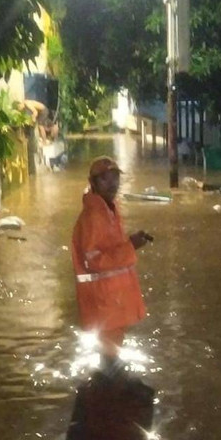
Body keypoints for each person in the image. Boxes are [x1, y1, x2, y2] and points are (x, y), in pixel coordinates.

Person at [71, 156, 151, 367]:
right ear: (93, 183)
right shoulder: (93, 216)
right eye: (105, 179)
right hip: (104, 299)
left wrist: (131, 242)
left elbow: (109, 248)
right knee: (110, 359)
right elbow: (95, 260)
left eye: (115, 177)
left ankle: (108, 392)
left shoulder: (108, 209)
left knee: (112, 354)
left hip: (111, 298)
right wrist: (131, 246)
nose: (112, 183)